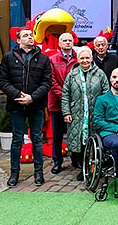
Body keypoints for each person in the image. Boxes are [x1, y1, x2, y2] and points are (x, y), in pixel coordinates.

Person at [0, 27, 52, 187]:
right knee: (17, 140)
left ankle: (39, 173)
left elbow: (47, 82)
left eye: (31, 35)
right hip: (16, 105)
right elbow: (3, 81)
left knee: (36, 139)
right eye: (26, 36)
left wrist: (32, 97)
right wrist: (17, 95)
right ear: (18, 40)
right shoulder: (8, 57)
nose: (30, 38)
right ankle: (15, 173)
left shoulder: (43, 58)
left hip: (36, 105)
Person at [61, 46, 109, 180]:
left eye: (87, 58)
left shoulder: (100, 74)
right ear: (78, 59)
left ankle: (94, 167)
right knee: (80, 143)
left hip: (95, 114)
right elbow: (65, 95)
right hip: (77, 114)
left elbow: (106, 94)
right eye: (82, 58)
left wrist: (104, 113)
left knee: (93, 142)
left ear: (91, 58)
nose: (85, 60)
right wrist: (66, 112)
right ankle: (83, 168)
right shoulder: (72, 75)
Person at [48, 33, 77, 175]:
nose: (67, 43)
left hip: (76, 104)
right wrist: (65, 97)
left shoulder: (79, 58)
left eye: (69, 40)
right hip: (57, 103)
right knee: (57, 134)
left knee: (75, 133)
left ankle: (76, 160)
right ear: (59, 44)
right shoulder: (52, 60)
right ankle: (57, 162)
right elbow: (52, 82)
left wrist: (74, 99)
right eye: (64, 40)